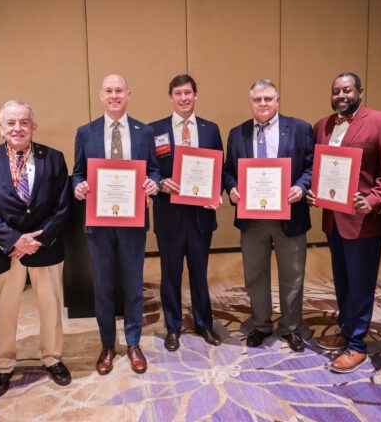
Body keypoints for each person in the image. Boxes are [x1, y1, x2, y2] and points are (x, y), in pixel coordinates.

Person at [0, 101, 72, 397]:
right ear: (1, 128)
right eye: (11, 123)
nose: (18, 128)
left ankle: (52, 358)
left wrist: (37, 240)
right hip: (5, 249)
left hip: (46, 247)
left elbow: (63, 205)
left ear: (34, 126)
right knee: (4, 311)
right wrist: (14, 239)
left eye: (24, 122)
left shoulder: (53, 158)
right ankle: (3, 366)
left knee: (51, 307)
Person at [307, 72, 381, 373]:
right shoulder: (322, 125)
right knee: (343, 281)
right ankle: (348, 329)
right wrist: (315, 193)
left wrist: (373, 201)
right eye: (336, 91)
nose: (341, 96)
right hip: (333, 219)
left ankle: (357, 345)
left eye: (347, 90)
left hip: (363, 222)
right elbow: (319, 168)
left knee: (360, 283)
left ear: (360, 92)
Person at [72, 74, 160, 375]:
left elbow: (155, 171)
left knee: (134, 286)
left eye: (119, 90)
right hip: (99, 222)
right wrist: (79, 187)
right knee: (104, 287)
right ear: (100, 95)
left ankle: (134, 343)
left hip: (133, 222)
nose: (114, 95)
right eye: (108, 90)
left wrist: (154, 184)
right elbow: (77, 173)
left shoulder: (144, 132)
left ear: (129, 94)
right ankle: (107, 345)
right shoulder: (86, 132)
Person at [223, 79, 313, 352]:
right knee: (255, 273)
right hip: (252, 220)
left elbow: (311, 166)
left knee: (293, 274)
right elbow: (228, 171)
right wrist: (233, 188)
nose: (262, 103)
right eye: (257, 99)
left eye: (268, 99)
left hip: (290, 215)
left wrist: (301, 186)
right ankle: (261, 324)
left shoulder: (299, 129)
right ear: (250, 102)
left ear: (277, 100)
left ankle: (291, 327)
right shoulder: (237, 133)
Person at [149, 74, 224, 351]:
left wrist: (216, 194)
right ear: (170, 97)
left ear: (196, 96)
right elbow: (150, 170)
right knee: (170, 274)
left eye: (188, 93)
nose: (183, 98)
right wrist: (159, 183)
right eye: (178, 93)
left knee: (199, 273)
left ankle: (204, 324)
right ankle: (173, 327)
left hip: (200, 216)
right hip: (169, 216)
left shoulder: (210, 129)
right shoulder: (154, 130)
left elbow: (219, 169)